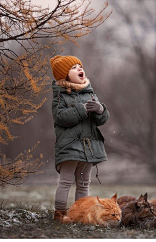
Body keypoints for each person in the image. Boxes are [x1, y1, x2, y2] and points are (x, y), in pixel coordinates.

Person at [50, 55, 110, 221]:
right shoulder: (60, 96)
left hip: (89, 146)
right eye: (73, 67)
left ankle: (79, 214)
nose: (79, 69)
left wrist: (100, 110)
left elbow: (101, 121)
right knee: (66, 181)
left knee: (84, 183)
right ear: (64, 75)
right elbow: (60, 117)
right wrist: (82, 110)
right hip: (69, 145)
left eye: (79, 66)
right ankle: (60, 214)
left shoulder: (90, 93)